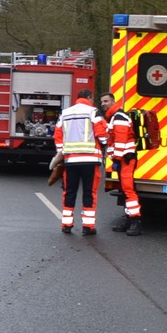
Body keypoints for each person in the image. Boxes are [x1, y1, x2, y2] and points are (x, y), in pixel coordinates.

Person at [54, 88, 109, 235]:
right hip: (90, 160)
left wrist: (62, 153)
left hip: (70, 160)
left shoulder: (65, 113)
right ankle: (88, 226)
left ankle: (66, 224)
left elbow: (58, 136)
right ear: (90, 97)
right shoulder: (93, 112)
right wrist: (104, 143)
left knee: (69, 191)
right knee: (89, 193)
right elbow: (102, 134)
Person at [100, 91, 142, 236]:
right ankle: (129, 220)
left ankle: (135, 221)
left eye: (106, 101)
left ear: (113, 101)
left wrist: (116, 159)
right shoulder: (114, 117)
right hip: (123, 159)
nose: (103, 104)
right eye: (102, 102)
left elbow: (120, 140)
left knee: (128, 190)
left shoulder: (118, 117)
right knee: (124, 190)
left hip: (125, 159)